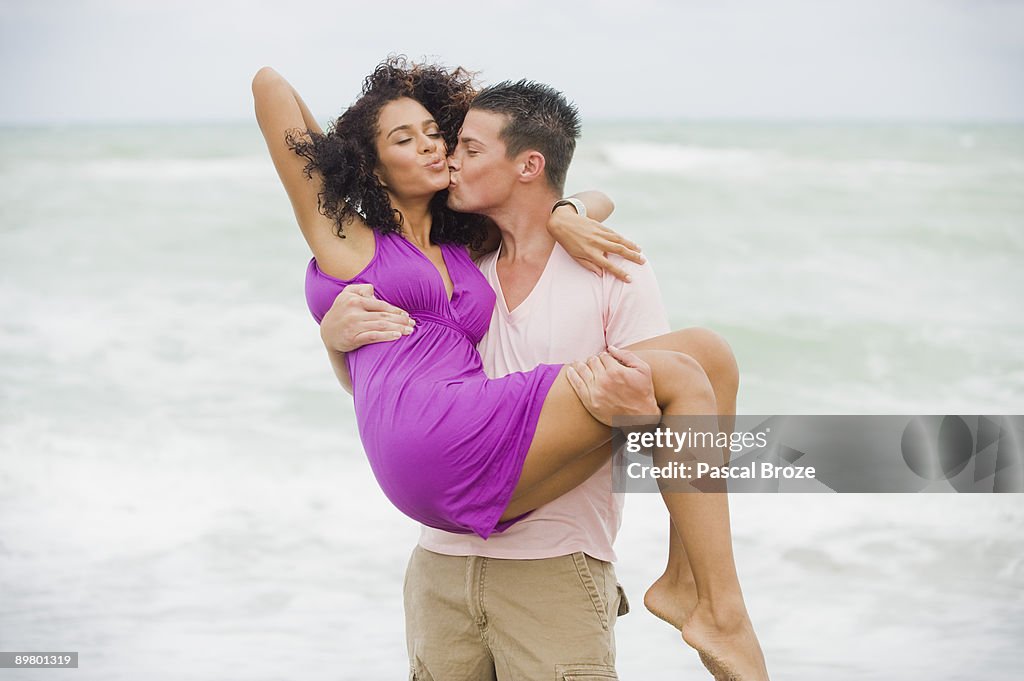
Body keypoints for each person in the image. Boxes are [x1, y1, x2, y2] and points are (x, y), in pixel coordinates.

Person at [253, 57, 769, 680]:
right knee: (688, 372)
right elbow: (270, 88)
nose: (433, 147)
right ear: (369, 163)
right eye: (404, 139)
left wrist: (567, 213)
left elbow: (569, 199)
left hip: (505, 498)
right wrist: (334, 338)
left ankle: (693, 583)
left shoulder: (467, 249)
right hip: (438, 467)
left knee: (710, 358)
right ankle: (714, 603)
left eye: (437, 136)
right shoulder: (351, 238)